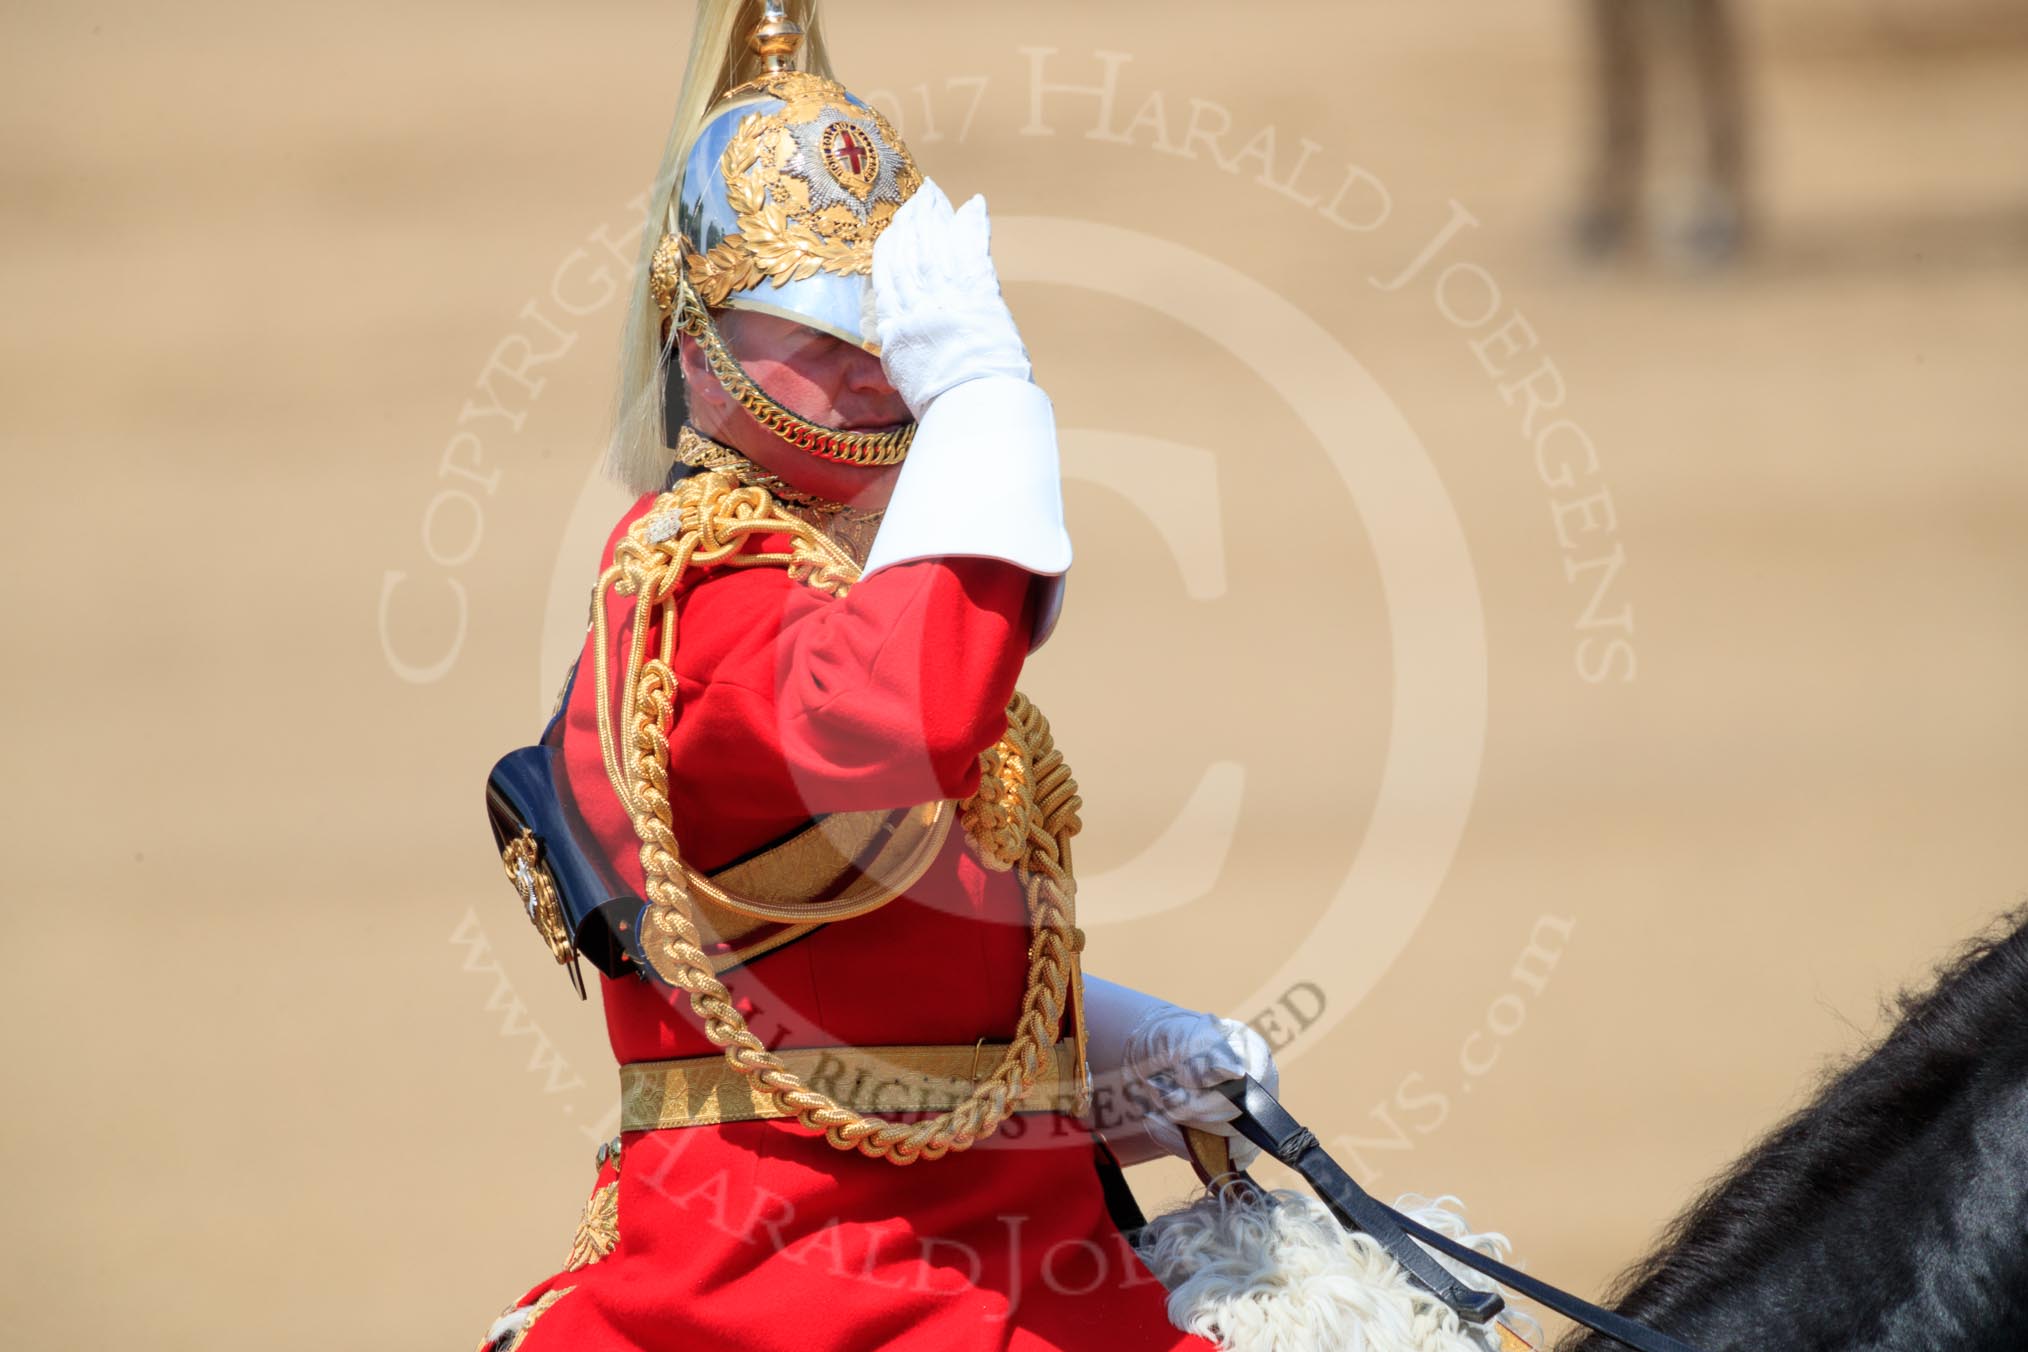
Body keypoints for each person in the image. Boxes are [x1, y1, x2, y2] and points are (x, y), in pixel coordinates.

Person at [475, 4, 1276, 1349]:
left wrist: (1102, 1048)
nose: (864, 365)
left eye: (884, 330)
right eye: (813, 328)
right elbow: (891, 727)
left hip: (1006, 1253)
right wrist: (983, 399)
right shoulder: (695, 595)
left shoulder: (842, 586)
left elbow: (875, 952)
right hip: (807, 1282)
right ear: (695, 341)